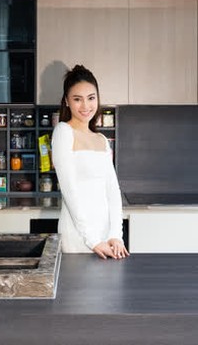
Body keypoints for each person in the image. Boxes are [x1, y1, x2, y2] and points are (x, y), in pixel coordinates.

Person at [51, 64, 129, 260]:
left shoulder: (101, 140)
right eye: (77, 99)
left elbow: (112, 190)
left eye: (91, 98)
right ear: (67, 101)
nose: (85, 106)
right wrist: (92, 240)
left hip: (105, 236)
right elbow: (69, 190)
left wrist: (116, 235)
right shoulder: (63, 132)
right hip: (78, 236)